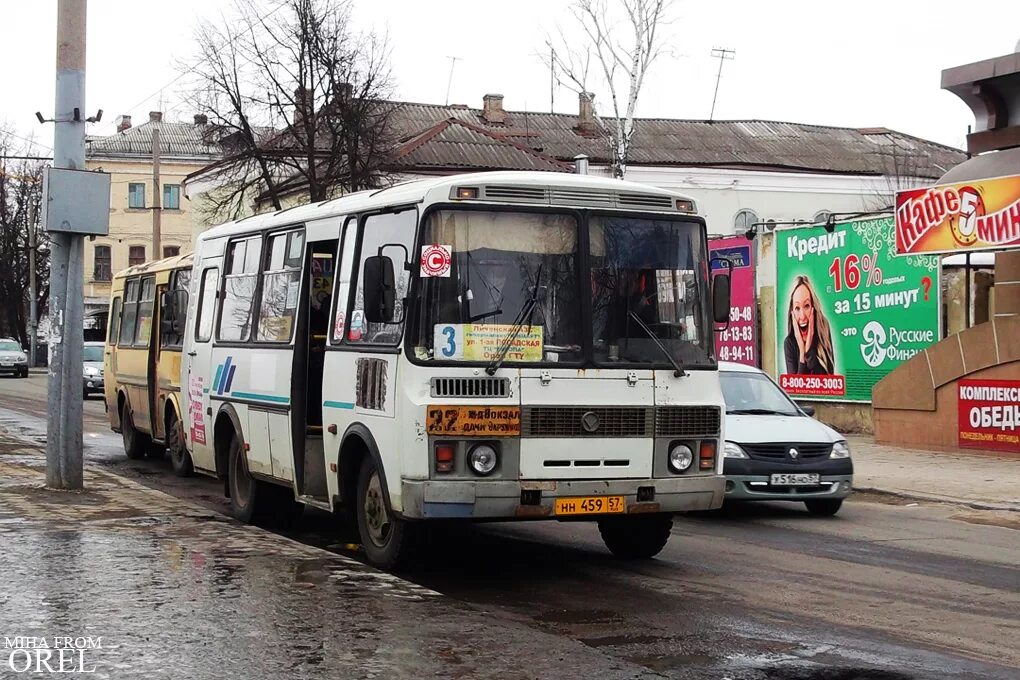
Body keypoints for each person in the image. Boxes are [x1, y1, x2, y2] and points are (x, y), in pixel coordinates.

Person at [783, 275, 835, 375]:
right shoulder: (789, 343)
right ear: (791, 312)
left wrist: (809, 348)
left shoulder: (823, 331)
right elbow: (796, 388)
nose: (802, 316)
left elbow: (827, 381)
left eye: (806, 306)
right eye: (797, 308)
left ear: (813, 307)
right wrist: (802, 353)